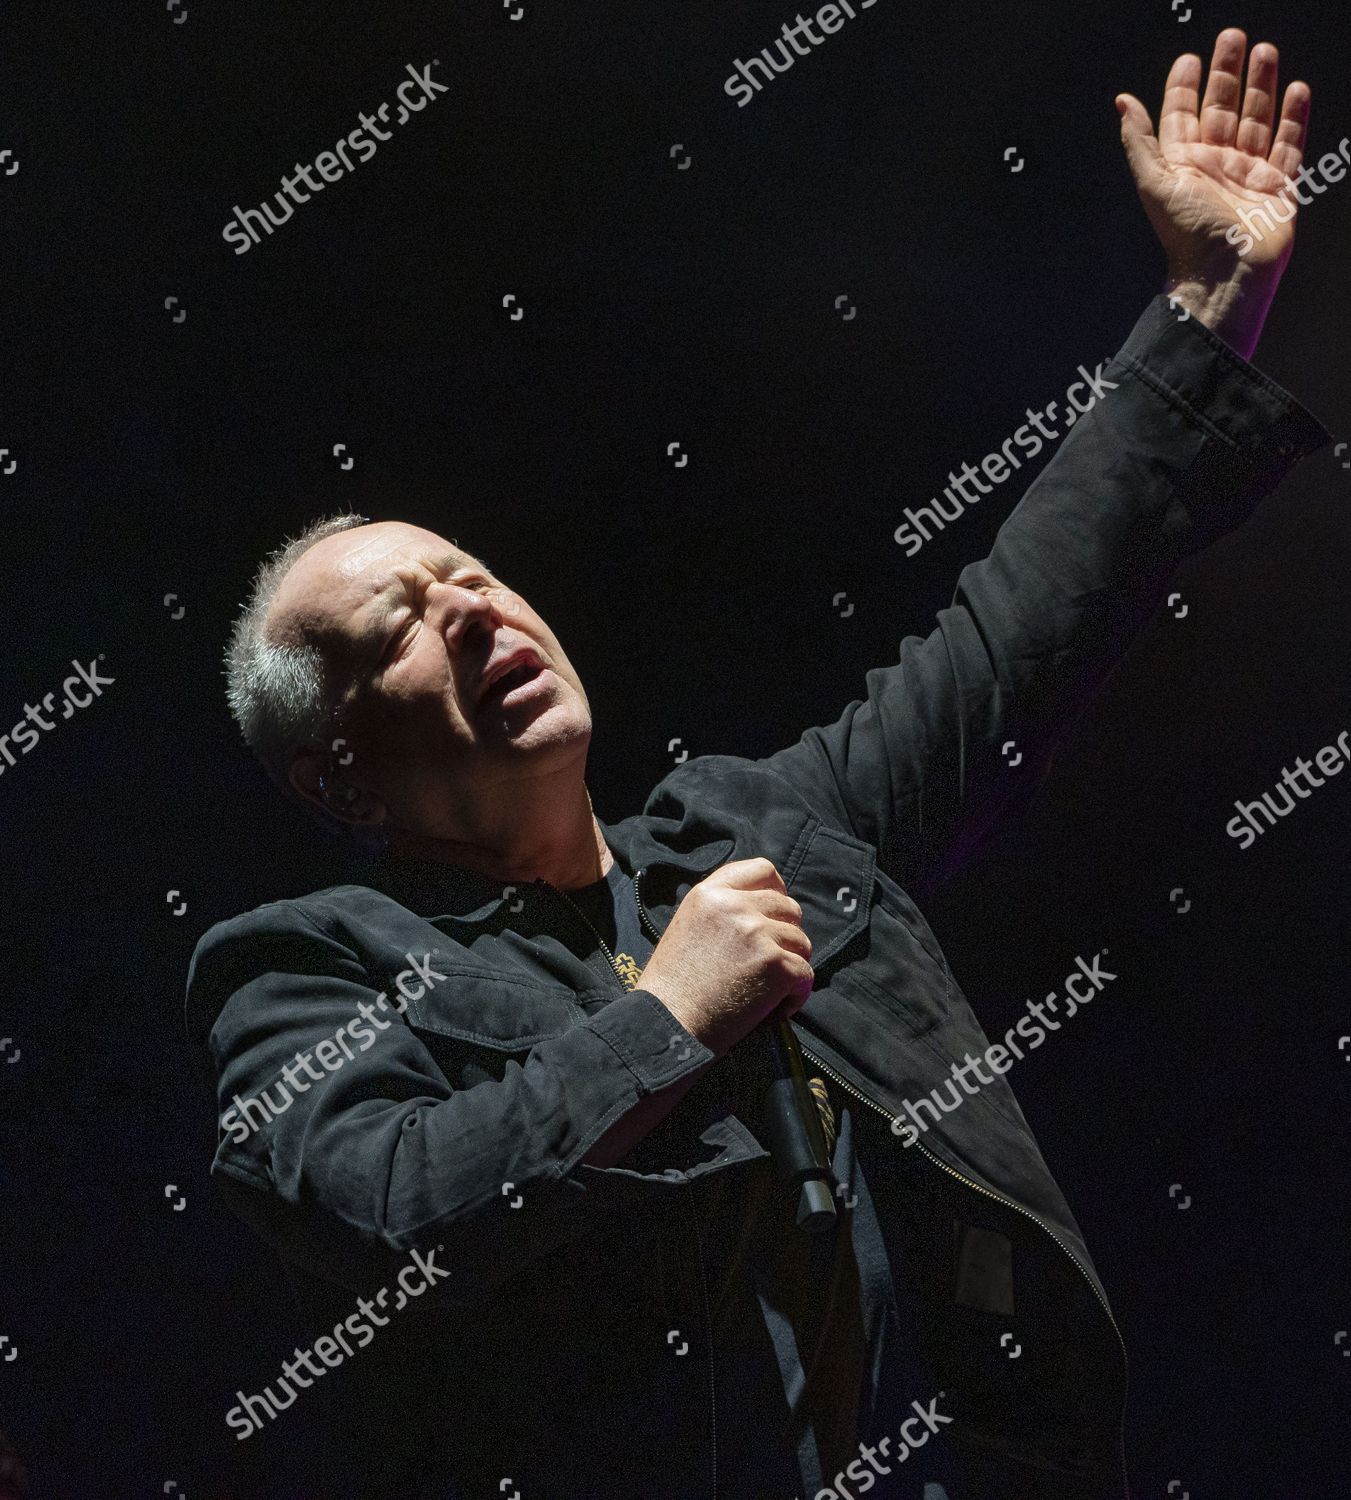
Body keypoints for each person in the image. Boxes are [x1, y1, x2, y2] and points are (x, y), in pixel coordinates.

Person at [186, 28, 1331, 1499]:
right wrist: (669, 1016)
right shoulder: (306, 971)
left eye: (465, 572)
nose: (466, 605)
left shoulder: (766, 829)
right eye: (396, 624)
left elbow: (1017, 631)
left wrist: (1209, 303)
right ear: (336, 774)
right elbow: (392, 1216)